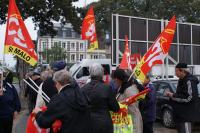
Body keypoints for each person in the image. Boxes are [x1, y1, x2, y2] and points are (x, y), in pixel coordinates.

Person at [81, 63, 120, 133]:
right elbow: (116, 108)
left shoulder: (83, 89)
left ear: (90, 73)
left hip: (88, 123)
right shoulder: (106, 88)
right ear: (102, 74)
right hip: (104, 124)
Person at [166, 63, 199, 133]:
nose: (175, 73)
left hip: (186, 116)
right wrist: (173, 95)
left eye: (176, 71)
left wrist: (173, 96)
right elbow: (180, 94)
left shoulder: (189, 81)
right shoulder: (181, 80)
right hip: (180, 115)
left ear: (182, 71)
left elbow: (189, 98)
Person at [113, 68, 143, 133]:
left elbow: (132, 107)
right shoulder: (122, 87)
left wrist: (119, 105)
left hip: (132, 123)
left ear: (118, 78)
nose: (114, 81)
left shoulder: (130, 89)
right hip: (126, 123)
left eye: (115, 79)